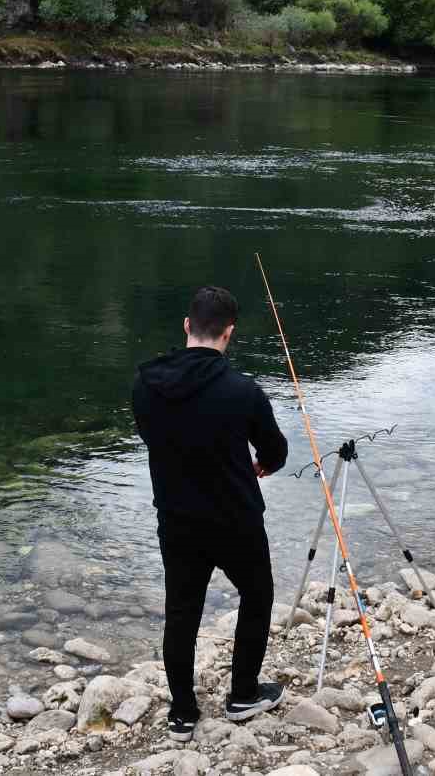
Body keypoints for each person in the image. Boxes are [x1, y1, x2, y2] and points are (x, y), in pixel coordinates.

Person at [132, 285, 289, 743]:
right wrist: (261, 465)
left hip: (176, 519)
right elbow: (275, 452)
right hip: (234, 517)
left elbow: (153, 439)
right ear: (229, 333)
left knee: (181, 612)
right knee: (258, 595)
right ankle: (243, 694)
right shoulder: (242, 390)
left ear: (187, 326)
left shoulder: (144, 383)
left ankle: (182, 713)